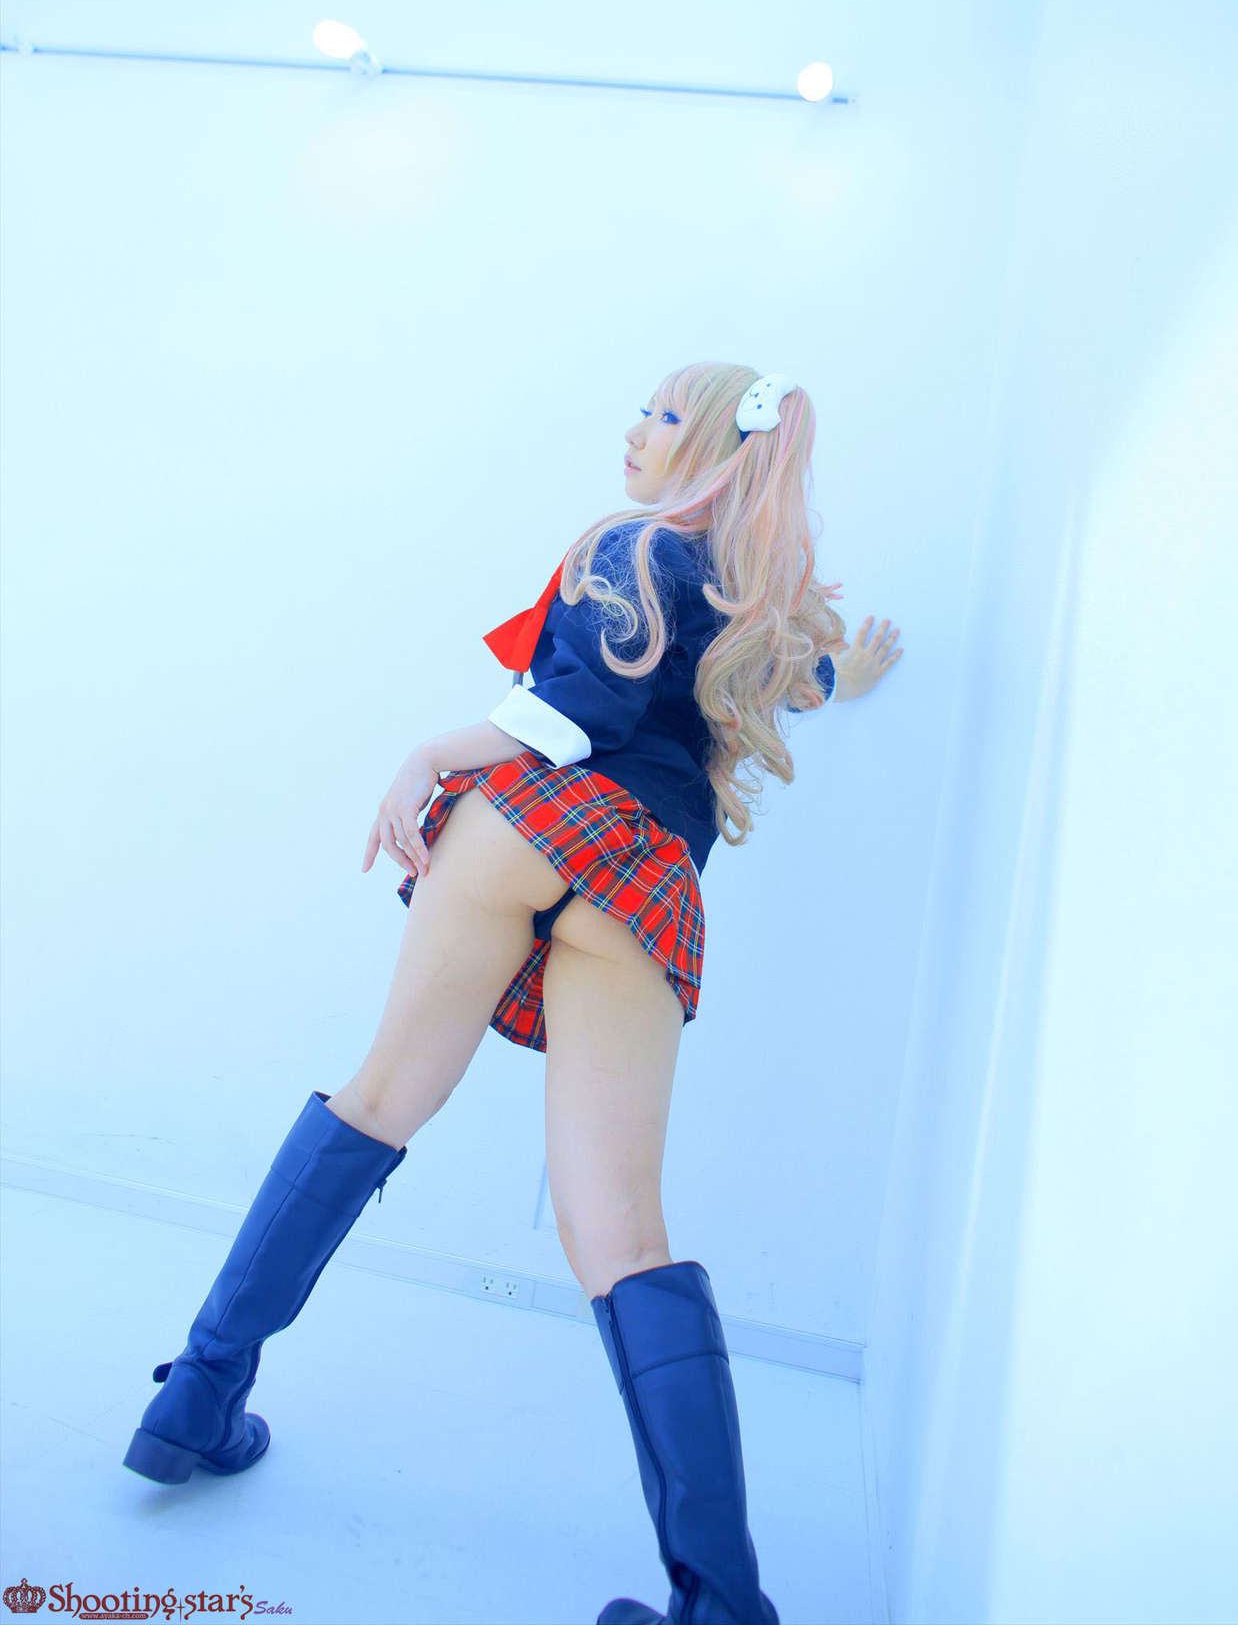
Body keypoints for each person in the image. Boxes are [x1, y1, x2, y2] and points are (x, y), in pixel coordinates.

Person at [122, 361, 903, 1625]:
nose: (634, 430)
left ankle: (198, 1396)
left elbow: (570, 712)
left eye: (660, 415)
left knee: (378, 1099)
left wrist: (431, 751)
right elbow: (792, 684)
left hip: (527, 825)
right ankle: (718, 1598)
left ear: (710, 444)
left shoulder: (629, 545)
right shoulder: (753, 604)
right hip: (641, 875)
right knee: (622, 1235)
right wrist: (843, 678)